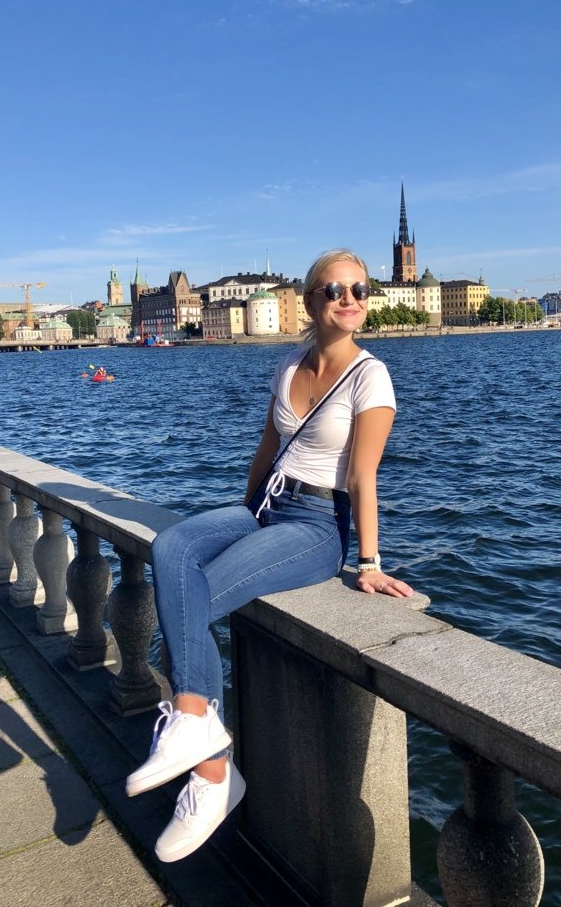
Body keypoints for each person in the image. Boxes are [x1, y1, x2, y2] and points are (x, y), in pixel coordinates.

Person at [126, 249, 414, 863]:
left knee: (200, 591)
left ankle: (208, 767)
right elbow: (267, 449)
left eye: (360, 289)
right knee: (173, 546)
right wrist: (237, 518)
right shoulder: (287, 365)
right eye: (335, 289)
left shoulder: (372, 376)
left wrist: (369, 562)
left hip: (318, 526)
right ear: (310, 301)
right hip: (268, 507)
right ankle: (200, 730)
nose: (351, 298)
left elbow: (364, 477)